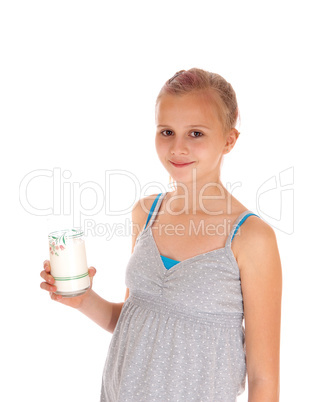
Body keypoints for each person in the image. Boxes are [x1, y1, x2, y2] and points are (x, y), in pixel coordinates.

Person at [40, 68, 282, 401]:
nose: (177, 148)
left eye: (196, 133)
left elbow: (263, 377)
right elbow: (135, 319)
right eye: (166, 131)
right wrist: (82, 299)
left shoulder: (251, 238)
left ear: (229, 140)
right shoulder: (146, 213)